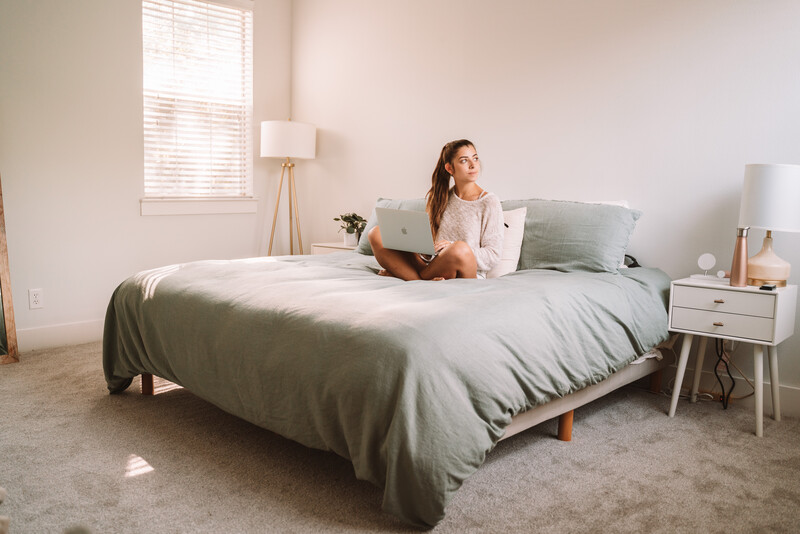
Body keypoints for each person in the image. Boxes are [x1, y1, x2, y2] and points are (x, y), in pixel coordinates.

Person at [368, 139, 504, 280]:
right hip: (432, 266)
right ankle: (420, 281)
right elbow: (430, 248)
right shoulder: (440, 198)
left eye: (475, 158)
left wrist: (451, 247)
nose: (473, 165)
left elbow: (492, 256)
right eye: (464, 161)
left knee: (459, 249)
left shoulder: (489, 202)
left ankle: (411, 278)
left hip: (464, 269)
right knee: (376, 233)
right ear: (450, 168)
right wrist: (415, 245)